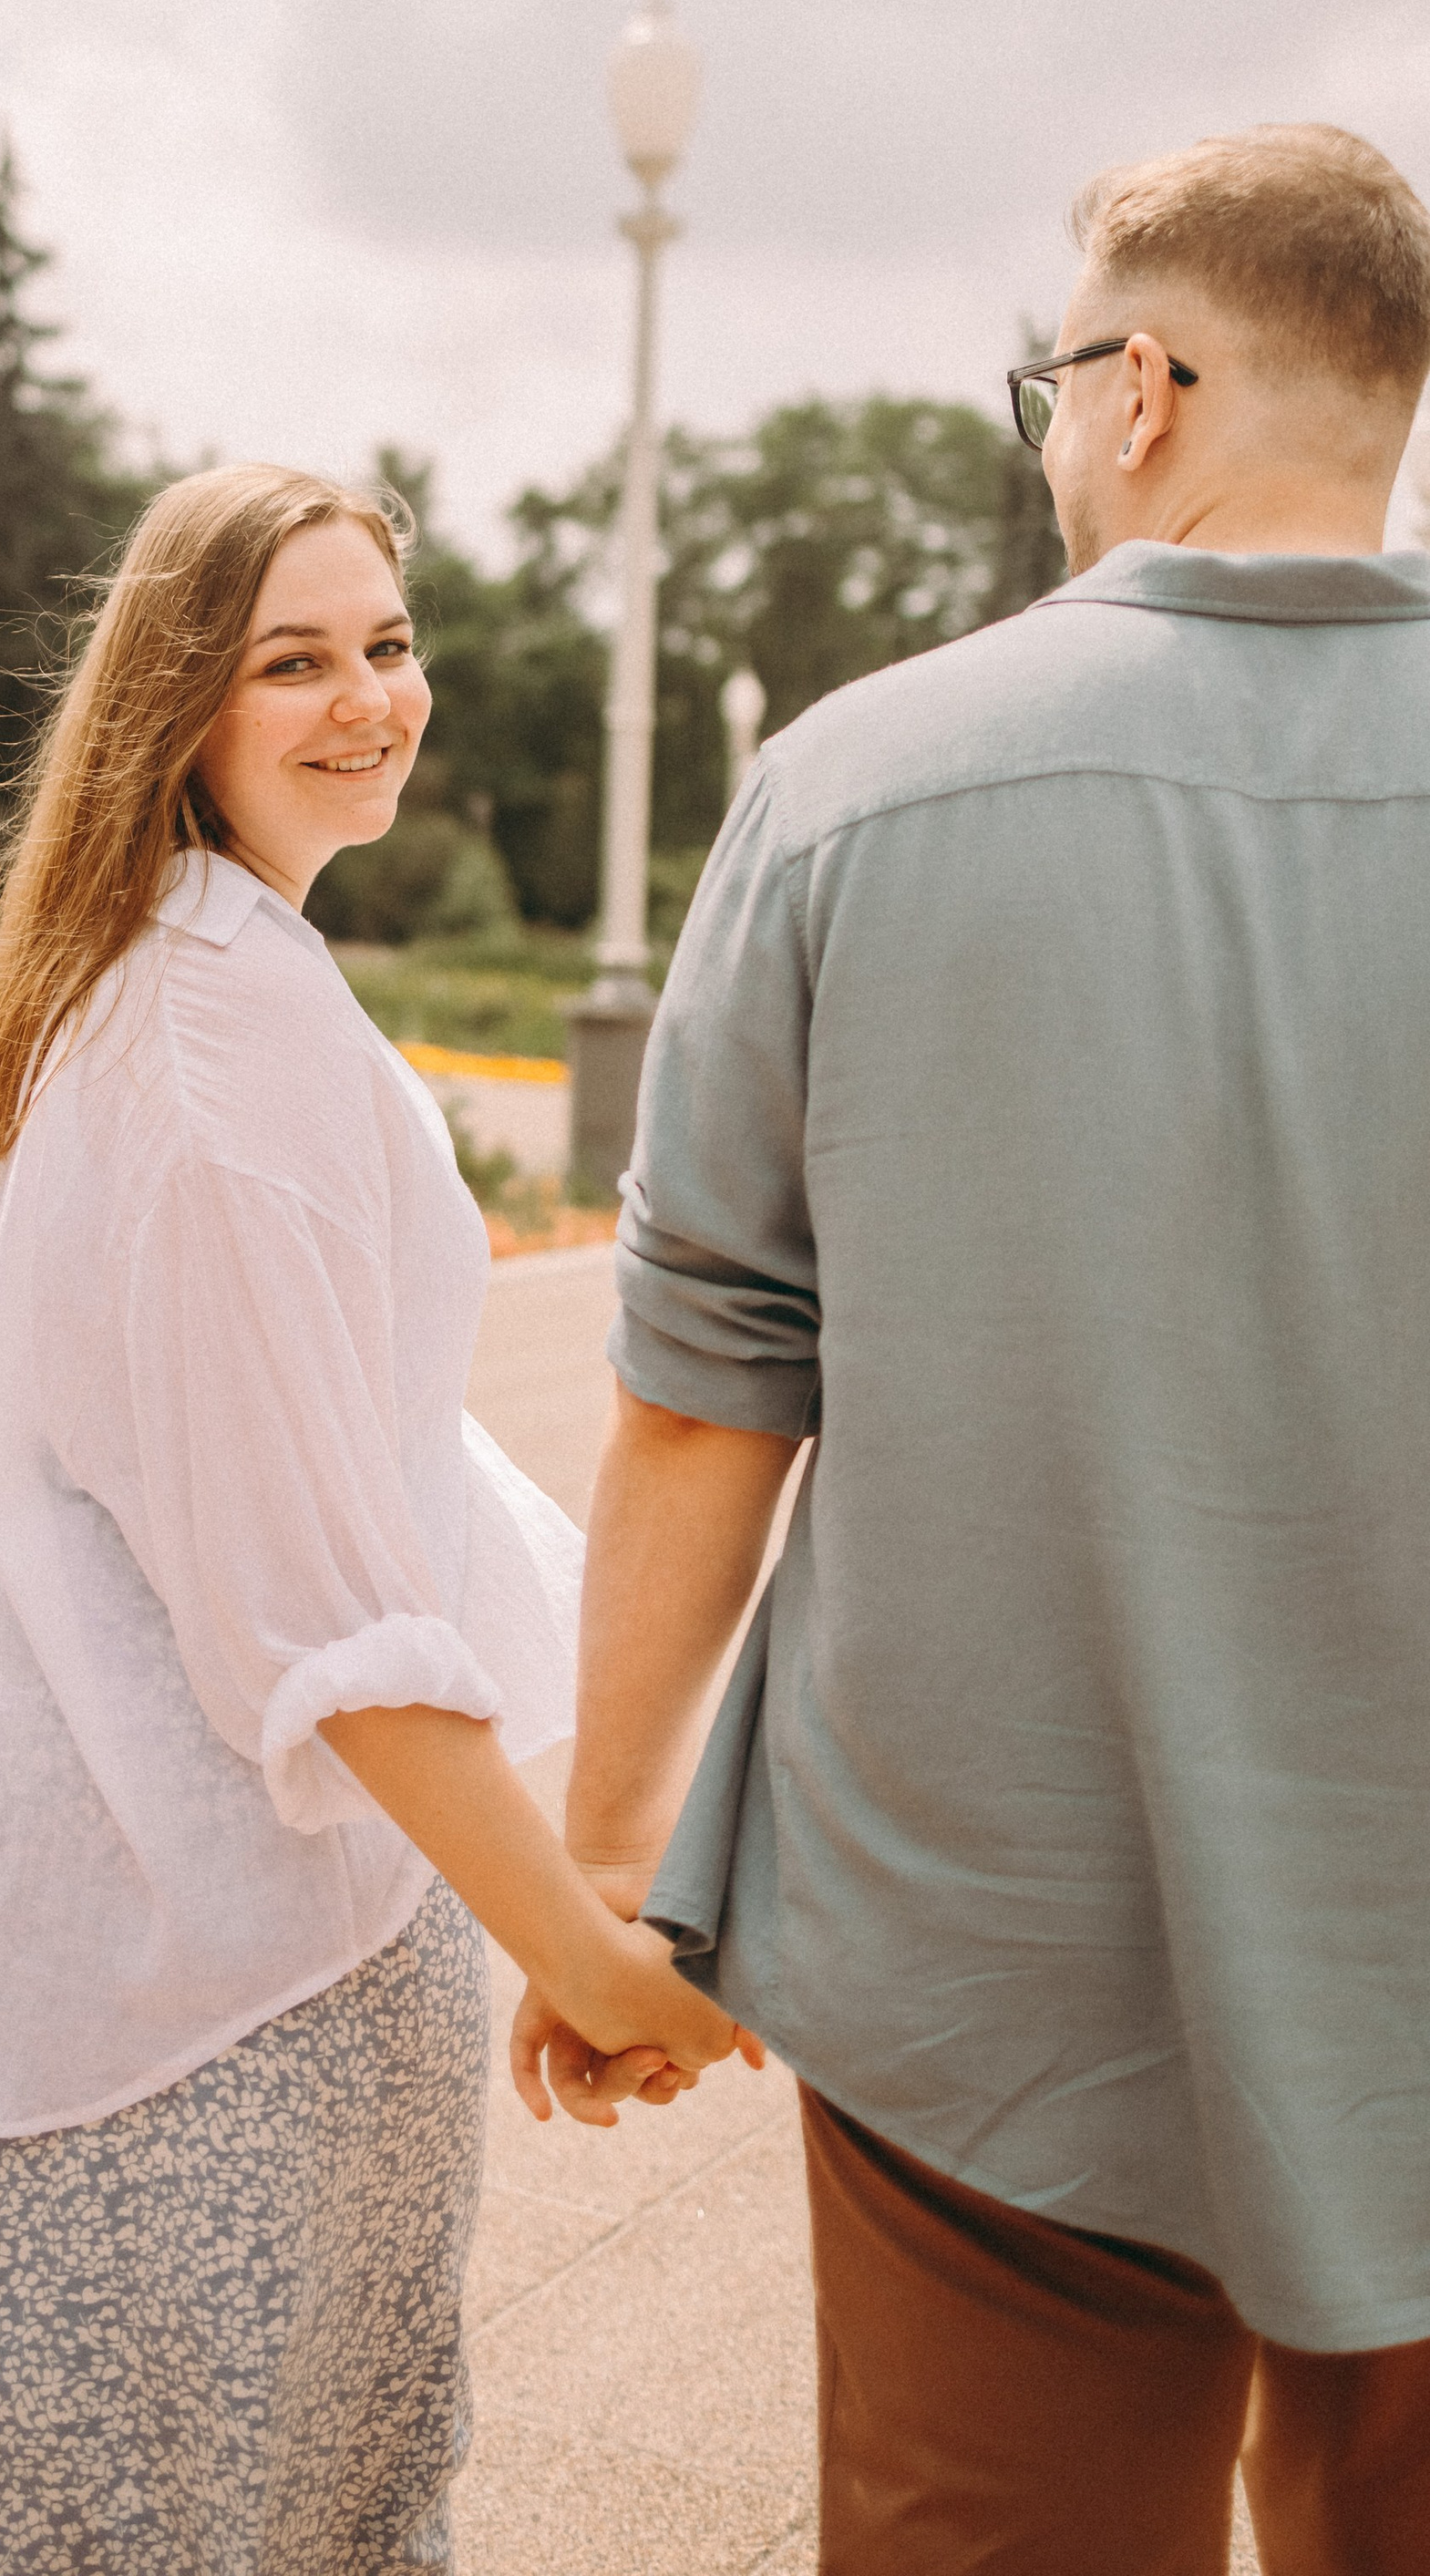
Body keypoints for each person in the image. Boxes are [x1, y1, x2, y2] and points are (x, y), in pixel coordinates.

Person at [0, 461, 745, 2576]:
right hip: (177, 1965)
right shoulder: (206, 1046)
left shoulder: (165, 969)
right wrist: (585, 1950)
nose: (368, 699)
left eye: (386, 643)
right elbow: (311, 1627)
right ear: (176, 703)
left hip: (65, 1909)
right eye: (294, 659)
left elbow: (298, 1475)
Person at [512, 124, 1430, 2574]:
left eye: (1056, 384)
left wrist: (605, 1872)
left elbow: (711, 1382)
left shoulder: (851, 788)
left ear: (1144, 386)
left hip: (988, 1968)